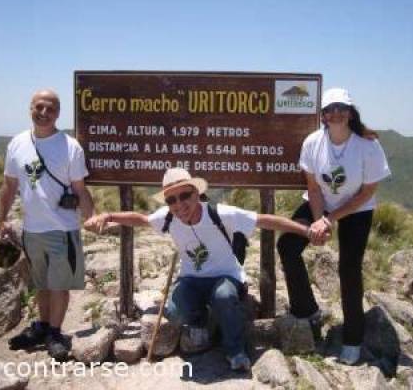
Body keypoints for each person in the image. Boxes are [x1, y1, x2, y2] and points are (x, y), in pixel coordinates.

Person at [84, 167, 312, 371]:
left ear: (196, 193)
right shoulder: (168, 218)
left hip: (225, 277)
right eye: (171, 200)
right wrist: (108, 215)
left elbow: (266, 220)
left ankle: (235, 350)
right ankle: (201, 323)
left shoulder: (220, 213)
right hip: (192, 279)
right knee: (174, 309)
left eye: (185, 195)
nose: (179, 204)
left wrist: (306, 231)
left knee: (224, 296)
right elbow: (141, 219)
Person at [277, 88, 391, 365]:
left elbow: (366, 193)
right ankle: (307, 309)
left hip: (357, 208)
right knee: (287, 245)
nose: (336, 113)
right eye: (329, 109)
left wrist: (331, 219)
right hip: (322, 203)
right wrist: (318, 221)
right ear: (323, 116)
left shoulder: (368, 145)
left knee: (349, 268)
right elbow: (313, 188)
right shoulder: (313, 143)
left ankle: (353, 338)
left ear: (350, 112)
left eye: (341, 107)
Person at [0, 89, 95, 361]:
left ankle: (55, 332)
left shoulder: (69, 146)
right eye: (39, 107)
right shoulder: (17, 143)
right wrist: (2, 218)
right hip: (31, 229)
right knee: (40, 283)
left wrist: (90, 218)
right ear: (31, 107)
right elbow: (9, 185)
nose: (44, 113)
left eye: (50, 109)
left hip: (62, 228)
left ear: (58, 113)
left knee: (59, 284)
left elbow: (80, 188)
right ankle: (42, 326)